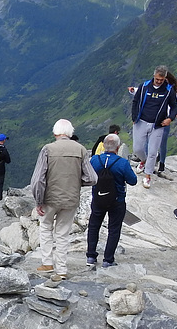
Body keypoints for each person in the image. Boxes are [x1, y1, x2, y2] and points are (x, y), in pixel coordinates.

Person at [30, 119, 97, 279]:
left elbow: (38, 179)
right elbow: (93, 178)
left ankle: (47, 264)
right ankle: (61, 270)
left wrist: (39, 200)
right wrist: (76, 182)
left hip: (49, 198)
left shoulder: (48, 149)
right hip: (71, 199)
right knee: (63, 233)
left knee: (46, 227)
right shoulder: (81, 150)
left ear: (55, 133)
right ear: (70, 133)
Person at [86, 134, 137, 268]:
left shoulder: (95, 160)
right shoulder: (122, 163)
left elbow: (88, 176)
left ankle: (91, 256)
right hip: (117, 200)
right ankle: (108, 259)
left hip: (98, 198)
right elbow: (133, 181)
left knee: (93, 226)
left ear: (103, 145)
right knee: (114, 229)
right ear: (118, 147)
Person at [131, 65, 177, 189]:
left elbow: (175, 107)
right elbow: (135, 101)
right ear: (154, 76)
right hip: (141, 121)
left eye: (161, 80)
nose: (159, 82)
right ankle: (143, 161)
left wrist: (170, 118)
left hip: (158, 125)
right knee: (137, 148)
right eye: (157, 79)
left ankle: (148, 176)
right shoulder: (144, 86)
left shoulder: (168, 90)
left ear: (165, 78)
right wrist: (134, 117)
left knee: (153, 151)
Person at [157, 72, 177, 173]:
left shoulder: (174, 91)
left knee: (163, 141)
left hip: (166, 118)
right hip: (155, 117)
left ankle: (162, 162)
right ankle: (151, 158)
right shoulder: (157, 88)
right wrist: (133, 91)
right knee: (150, 140)